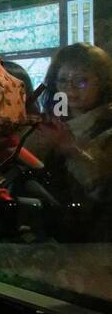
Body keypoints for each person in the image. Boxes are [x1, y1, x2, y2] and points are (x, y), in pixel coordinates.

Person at [23, 42, 112, 240]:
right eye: (62, 81)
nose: (70, 89)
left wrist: (70, 149)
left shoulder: (106, 128)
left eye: (81, 82)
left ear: (103, 82)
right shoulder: (53, 121)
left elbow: (103, 186)